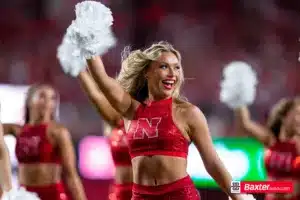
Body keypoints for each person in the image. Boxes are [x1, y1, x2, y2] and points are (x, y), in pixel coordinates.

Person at [83, 41, 243, 200]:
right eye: (164, 66)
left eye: (177, 67)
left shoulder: (189, 113)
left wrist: (240, 196)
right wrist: (88, 38)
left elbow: (213, 164)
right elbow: (101, 79)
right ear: (147, 72)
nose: (172, 73)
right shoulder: (130, 109)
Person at [2, 84, 87, 200]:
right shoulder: (17, 130)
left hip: (51, 195)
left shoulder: (58, 132)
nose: (48, 102)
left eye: (52, 98)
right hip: (24, 195)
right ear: (30, 100)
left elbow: (71, 175)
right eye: (42, 96)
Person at [78, 70, 133, 200]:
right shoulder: (114, 123)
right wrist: (79, 68)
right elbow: (95, 95)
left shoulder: (149, 120)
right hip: (119, 192)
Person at [234, 98, 300, 200]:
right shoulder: (271, 140)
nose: (298, 119)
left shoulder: (298, 145)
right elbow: (245, 124)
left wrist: (239, 187)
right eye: (297, 114)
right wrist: (239, 97)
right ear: (284, 116)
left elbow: (292, 188)